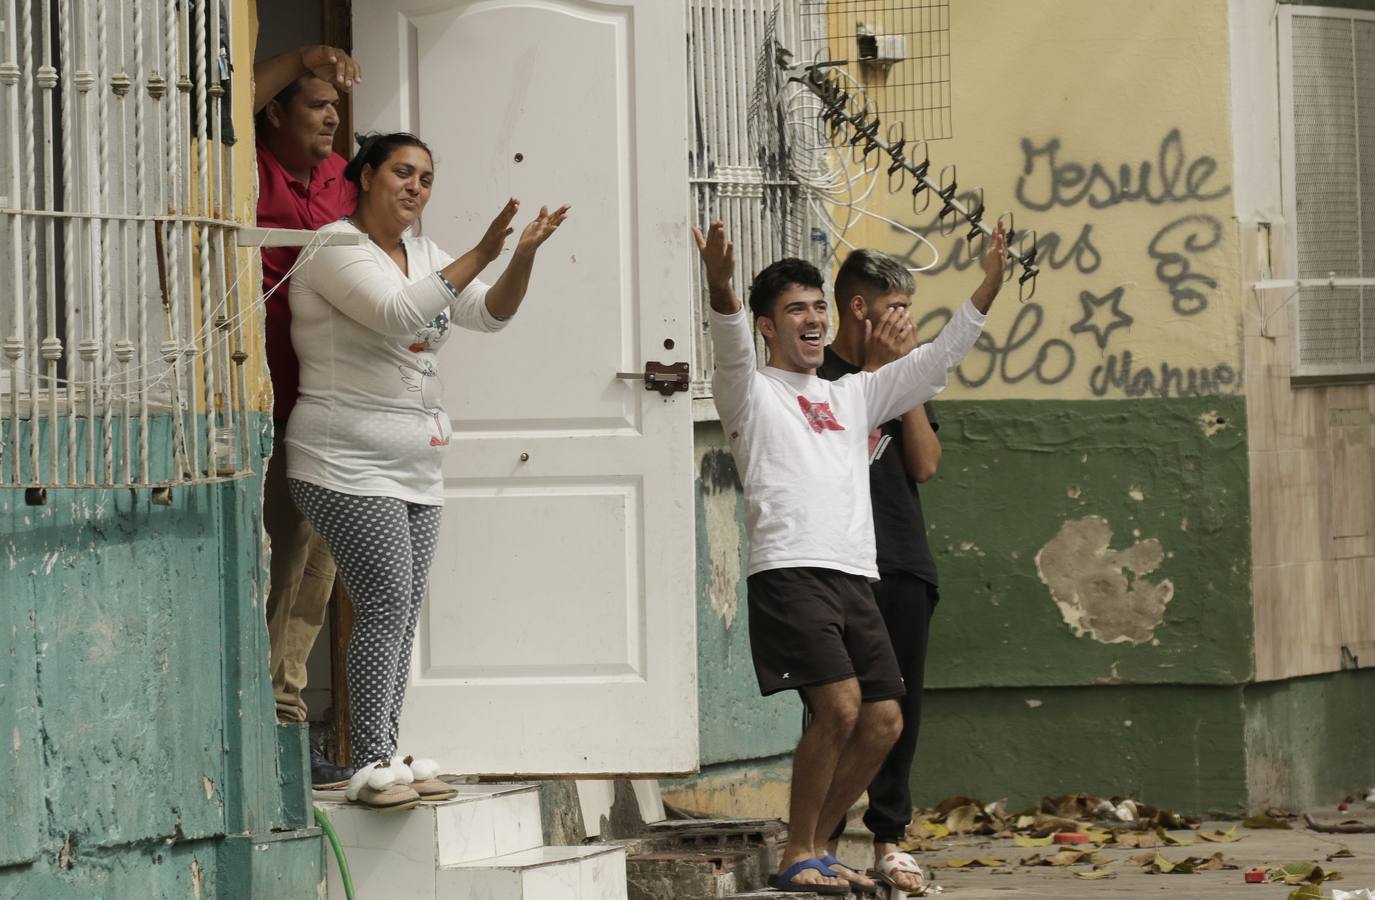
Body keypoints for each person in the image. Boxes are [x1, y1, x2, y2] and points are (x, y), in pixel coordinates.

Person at [693, 220, 1006, 893]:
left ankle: (806, 845)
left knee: (883, 719)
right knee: (837, 708)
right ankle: (796, 856)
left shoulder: (851, 394)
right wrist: (720, 286)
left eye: (816, 307)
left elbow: (933, 361)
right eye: (794, 310)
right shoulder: (750, 392)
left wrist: (985, 290)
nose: (810, 319)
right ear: (768, 330)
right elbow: (726, 341)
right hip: (789, 571)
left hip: (855, 576)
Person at [286, 132, 569, 810]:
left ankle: (387, 755)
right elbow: (394, 314)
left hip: (415, 462)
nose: (414, 187)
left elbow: (489, 315)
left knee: (401, 611)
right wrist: (482, 251)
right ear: (365, 177)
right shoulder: (333, 248)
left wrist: (519, 257)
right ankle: (370, 762)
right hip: (341, 459)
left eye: (426, 178)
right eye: (401, 173)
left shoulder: (422, 253)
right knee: (382, 604)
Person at [252, 44, 363, 790]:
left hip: (332, 395)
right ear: (278, 112)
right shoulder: (243, 164)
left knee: (318, 565)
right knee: (275, 561)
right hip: (259, 392)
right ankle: (261, 721)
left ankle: (286, 721)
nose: (330, 117)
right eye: (316, 104)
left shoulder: (341, 180)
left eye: (334, 106)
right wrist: (296, 56)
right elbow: (228, 113)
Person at [816, 249, 943, 894]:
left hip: (901, 555)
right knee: (841, 707)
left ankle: (889, 837)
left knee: (903, 705)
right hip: (839, 558)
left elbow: (923, 464)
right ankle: (822, 838)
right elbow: (837, 452)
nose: (905, 322)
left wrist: (906, 379)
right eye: (896, 309)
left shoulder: (903, 372)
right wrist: (872, 373)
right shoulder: (818, 375)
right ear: (859, 308)